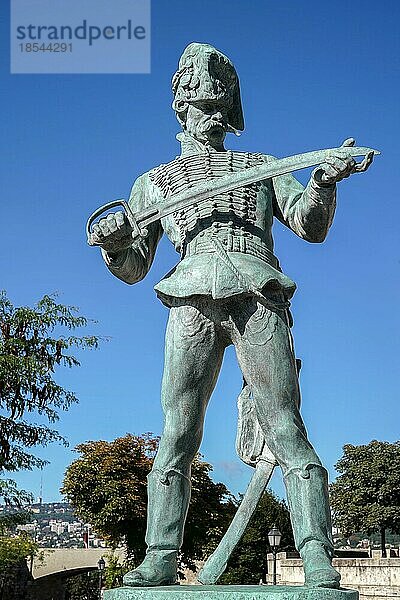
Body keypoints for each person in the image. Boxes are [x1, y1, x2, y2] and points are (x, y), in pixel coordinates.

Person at [88, 43, 373, 589]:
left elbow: (310, 226)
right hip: (190, 299)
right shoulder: (153, 184)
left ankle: (315, 553)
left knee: (287, 429)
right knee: (177, 432)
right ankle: (161, 554)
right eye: (200, 106)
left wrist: (322, 182)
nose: (210, 114)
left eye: (219, 105)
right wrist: (113, 243)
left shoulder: (264, 167)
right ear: (182, 110)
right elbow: (133, 268)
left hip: (258, 294)